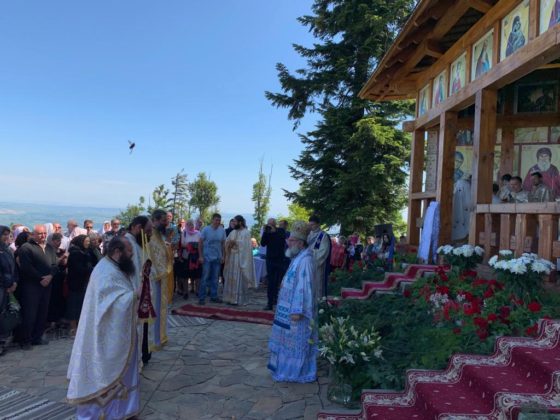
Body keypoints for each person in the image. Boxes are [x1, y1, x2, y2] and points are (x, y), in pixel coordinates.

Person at [67, 236, 140, 419]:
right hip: (103, 336)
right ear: (117, 251)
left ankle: (125, 410)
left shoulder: (115, 267)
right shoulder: (105, 272)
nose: (132, 255)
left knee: (125, 371)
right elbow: (110, 304)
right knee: (105, 372)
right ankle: (105, 413)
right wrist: (134, 296)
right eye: (129, 251)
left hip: (119, 332)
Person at [268, 220, 317, 383]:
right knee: (286, 342)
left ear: (300, 243)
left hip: (296, 313)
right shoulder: (297, 258)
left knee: (296, 343)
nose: (288, 242)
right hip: (286, 311)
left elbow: (305, 287)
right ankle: (284, 369)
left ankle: (295, 372)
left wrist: (298, 310)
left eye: (292, 240)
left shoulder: (305, 260)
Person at [17, 225, 59, 349]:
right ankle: (25, 340)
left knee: (42, 312)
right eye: (40, 233)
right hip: (32, 285)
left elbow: (55, 264)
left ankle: (37, 337)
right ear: (33, 234)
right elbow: (27, 267)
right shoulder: (26, 248)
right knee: (30, 313)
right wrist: (40, 278)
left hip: (47, 284)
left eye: (44, 233)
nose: (43, 235)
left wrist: (50, 276)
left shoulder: (49, 247)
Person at [125, 215, 156, 366]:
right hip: (134, 295)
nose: (150, 234)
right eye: (148, 231)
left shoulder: (138, 243)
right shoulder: (127, 245)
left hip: (143, 294)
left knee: (144, 326)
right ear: (138, 228)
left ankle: (143, 354)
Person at [148, 209, 172, 352]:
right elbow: (149, 256)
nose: (166, 223)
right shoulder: (150, 235)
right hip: (154, 278)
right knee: (155, 307)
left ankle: (160, 336)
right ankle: (154, 339)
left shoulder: (159, 234)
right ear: (155, 220)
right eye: (163, 221)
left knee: (161, 307)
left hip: (161, 276)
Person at [223, 215, 255, 306]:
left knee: (239, 279)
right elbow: (226, 242)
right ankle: (230, 298)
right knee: (230, 278)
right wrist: (229, 243)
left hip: (240, 260)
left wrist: (236, 242)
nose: (233, 223)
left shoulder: (246, 233)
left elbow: (246, 247)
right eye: (233, 222)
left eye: (235, 222)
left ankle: (238, 300)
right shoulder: (233, 232)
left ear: (240, 222)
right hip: (232, 258)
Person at [66, 235, 94, 336]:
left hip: (83, 283)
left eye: (88, 241)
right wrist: (90, 269)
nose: (88, 243)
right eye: (86, 241)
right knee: (74, 306)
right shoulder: (75, 253)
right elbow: (78, 269)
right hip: (75, 283)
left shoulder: (85, 252)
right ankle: (73, 328)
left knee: (80, 305)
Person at [198, 213, 226, 305]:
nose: (218, 222)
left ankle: (214, 296)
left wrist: (223, 256)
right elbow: (200, 243)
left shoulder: (222, 230)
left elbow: (223, 244)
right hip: (207, 257)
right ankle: (202, 297)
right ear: (212, 220)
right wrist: (200, 256)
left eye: (219, 220)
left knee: (215, 278)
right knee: (205, 278)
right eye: (216, 220)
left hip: (217, 258)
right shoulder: (206, 229)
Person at [261, 218, 288, 310]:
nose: (270, 225)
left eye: (271, 224)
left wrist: (274, 232)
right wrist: (265, 232)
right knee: (271, 281)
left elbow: (282, 240)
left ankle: (276, 299)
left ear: (275, 224)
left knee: (278, 281)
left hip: (279, 260)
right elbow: (263, 243)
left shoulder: (280, 231)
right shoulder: (267, 232)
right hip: (270, 260)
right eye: (268, 224)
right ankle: (269, 303)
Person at [0, 225, 18, 356]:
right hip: (2, 287)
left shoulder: (7, 250)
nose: (6, 237)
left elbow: (14, 269)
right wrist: (6, 284)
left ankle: (2, 341)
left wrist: (15, 282)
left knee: (5, 314)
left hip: (9, 288)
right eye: (4, 234)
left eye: (8, 234)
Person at [307, 215, 331, 301]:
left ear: (318, 224)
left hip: (316, 266)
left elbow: (323, 252)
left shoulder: (322, 236)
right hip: (306, 265)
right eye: (309, 225)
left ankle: (317, 304)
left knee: (317, 286)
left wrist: (313, 262)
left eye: (313, 224)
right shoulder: (308, 234)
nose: (311, 226)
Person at [178, 220, 202, 299]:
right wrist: (191, 245)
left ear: (194, 225)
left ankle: (198, 291)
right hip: (186, 257)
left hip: (196, 256)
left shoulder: (198, 233)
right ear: (186, 225)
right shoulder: (184, 233)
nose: (191, 226)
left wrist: (194, 246)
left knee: (197, 275)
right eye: (189, 224)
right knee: (185, 275)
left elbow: (201, 244)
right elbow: (182, 244)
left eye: (192, 224)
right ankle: (186, 292)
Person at [452, 175, 472, 241]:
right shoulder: (466, 185)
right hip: (464, 210)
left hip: (459, 209)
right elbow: (469, 203)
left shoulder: (458, 184)